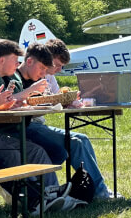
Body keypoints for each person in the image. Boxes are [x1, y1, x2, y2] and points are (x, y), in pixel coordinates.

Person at [21, 40, 114, 200]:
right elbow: (33, 102)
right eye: (56, 65)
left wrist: (69, 101)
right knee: (76, 142)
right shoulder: (31, 75)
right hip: (29, 125)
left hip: (38, 123)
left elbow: (57, 98)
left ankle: (96, 188)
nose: (58, 69)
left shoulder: (49, 76)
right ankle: (98, 192)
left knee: (82, 139)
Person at [0, 39, 66, 214]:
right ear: (2, 60)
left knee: (38, 151)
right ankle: (33, 202)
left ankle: (52, 196)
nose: (17, 64)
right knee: (16, 155)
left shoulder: (12, 77)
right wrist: (28, 94)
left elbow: (12, 102)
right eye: (14, 59)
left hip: (10, 128)